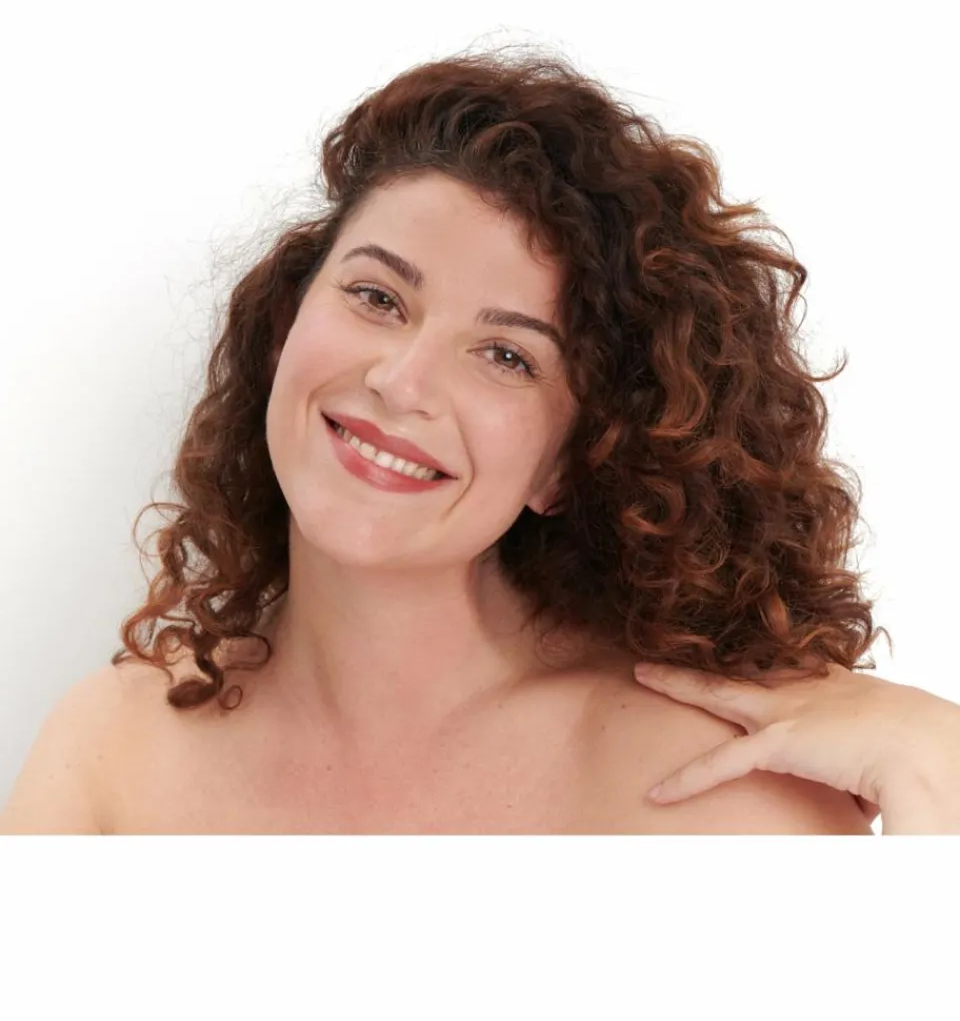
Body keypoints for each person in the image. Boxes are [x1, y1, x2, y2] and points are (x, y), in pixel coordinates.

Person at [1, 47, 885, 834]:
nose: (402, 381)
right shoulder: (113, 749)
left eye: (507, 356)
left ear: (572, 463)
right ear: (284, 327)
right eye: (377, 298)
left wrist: (939, 781)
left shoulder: (705, 777)